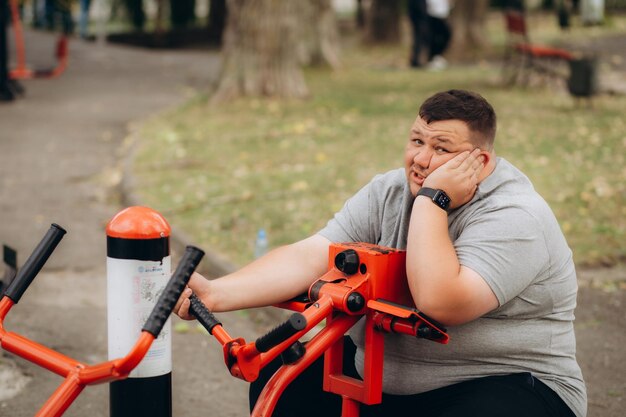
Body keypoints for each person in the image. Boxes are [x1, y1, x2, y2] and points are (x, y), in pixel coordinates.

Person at [174, 90, 587, 417]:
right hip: (382, 377)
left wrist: (431, 202)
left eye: (442, 149)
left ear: (479, 162)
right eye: (416, 141)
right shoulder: (388, 192)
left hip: (505, 382)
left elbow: (440, 302)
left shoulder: (517, 216)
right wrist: (217, 294)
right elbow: (314, 255)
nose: (422, 160)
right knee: (278, 383)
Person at [425, 0, 452, 71]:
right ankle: (433, 58)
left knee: (442, 36)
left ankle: (436, 57)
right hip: (434, 15)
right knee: (437, 37)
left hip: (440, 15)